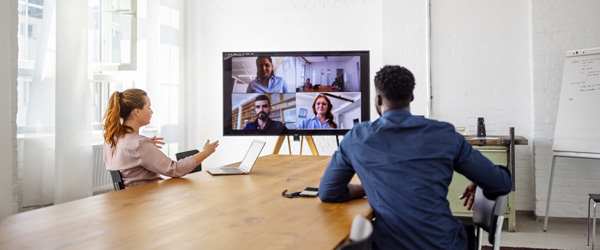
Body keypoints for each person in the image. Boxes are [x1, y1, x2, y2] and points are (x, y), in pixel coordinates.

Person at [318, 66, 512, 249]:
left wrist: (366, 188)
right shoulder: (444, 134)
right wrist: (481, 179)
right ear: (411, 96)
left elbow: (328, 192)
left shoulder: (357, 138)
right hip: (445, 244)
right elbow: (501, 184)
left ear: (378, 100)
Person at [103, 88, 219, 187]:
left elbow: (129, 159)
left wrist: (146, 147)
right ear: (137, 112)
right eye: (148, 107)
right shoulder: (138, 144)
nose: (152, 111)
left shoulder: (112, 139)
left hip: (131, 201)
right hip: (148, 202)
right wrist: (205, 152)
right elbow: (175, 169)